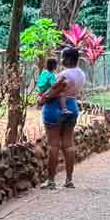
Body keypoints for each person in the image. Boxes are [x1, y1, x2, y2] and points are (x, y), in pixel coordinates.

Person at [36, 47, 87, 189]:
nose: (61, 60)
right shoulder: (81, 74)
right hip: (72, 106)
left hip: (54, 108)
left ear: (69, 59)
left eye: (63, 57)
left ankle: (51, 181)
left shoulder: (64, 74)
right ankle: (69, 179)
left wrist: (42, 100)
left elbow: (54, 91)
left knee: (53, 145)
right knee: (68, 144)